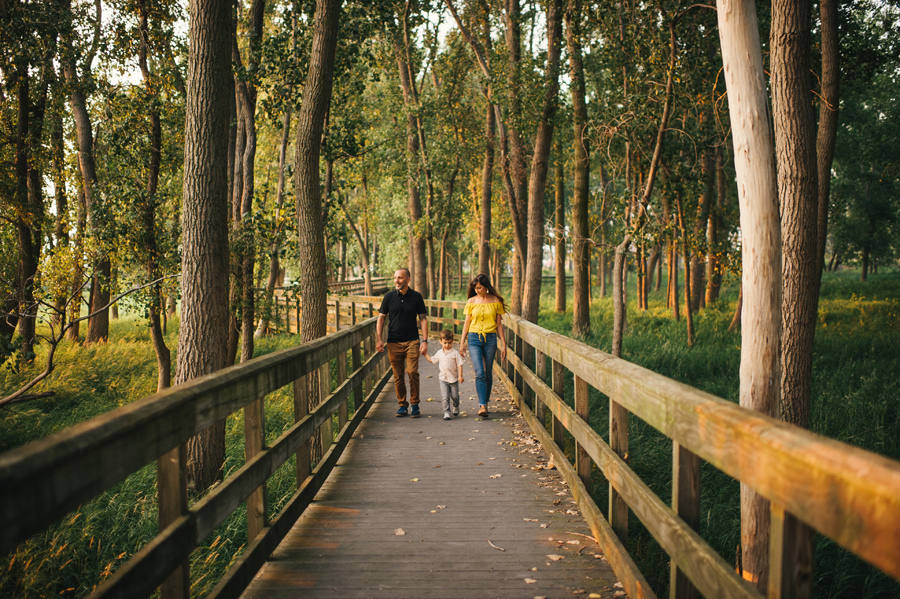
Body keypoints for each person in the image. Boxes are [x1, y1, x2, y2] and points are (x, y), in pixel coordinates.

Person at [376, 268, 429, 417]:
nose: (396, 281)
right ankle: (402, 405)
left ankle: (415, 403)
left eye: (400, 278)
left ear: (408, 280)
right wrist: (379, 339)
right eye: (395, 278)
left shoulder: (417, 297)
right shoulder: (388, 297)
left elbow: (423, 319)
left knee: (412, 372)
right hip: (393, 341)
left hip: (412, 340)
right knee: (398, 375)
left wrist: (424, 341)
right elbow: (381, 318)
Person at [459, 274, 507, 419]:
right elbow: (466, 323)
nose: (477, 290)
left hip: (491, 339)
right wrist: (462, 343)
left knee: (487, 372)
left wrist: (504, 344)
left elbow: (499, 324)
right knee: (479, 371)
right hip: (474, 339)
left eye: (479, 287)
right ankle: (482, 405)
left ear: (486, 287)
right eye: (475, 288)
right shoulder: (471, 301)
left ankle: (485, 401)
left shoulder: (496, 301)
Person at [424, 329, 465, 421]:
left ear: (452, 342)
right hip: (443, 379)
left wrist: (460, 376)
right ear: (441, 342)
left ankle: (456, 405)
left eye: (449, 343)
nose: (447, 345)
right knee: (445, 397)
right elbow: (432, 360)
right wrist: (425, 354)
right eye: (445, 343)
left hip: (453, 379)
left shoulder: (455, 353)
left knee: (455, 396)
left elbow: (460, 364)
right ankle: (446, 412)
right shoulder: (439, 353)